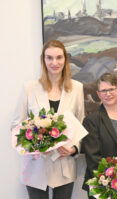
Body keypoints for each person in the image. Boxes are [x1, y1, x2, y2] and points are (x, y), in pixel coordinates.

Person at [11, 40, 85, 199]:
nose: (54, 62)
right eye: (49, 58)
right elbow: (16, 125)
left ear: (65, 59)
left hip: (65, 166)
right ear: (43, 60)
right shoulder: (29, 88)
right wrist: (33, 143)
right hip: (36, 166)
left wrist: (74, 149)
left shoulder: (77, 88)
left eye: (59, 57)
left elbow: (81, 123)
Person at [81, 72, 117, 199]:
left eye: (111, 89)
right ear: (98, 94)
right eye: (103, 91)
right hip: (102, 186)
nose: (108, 94)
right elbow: (93, 158)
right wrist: (113, 178)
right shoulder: (92, 120)